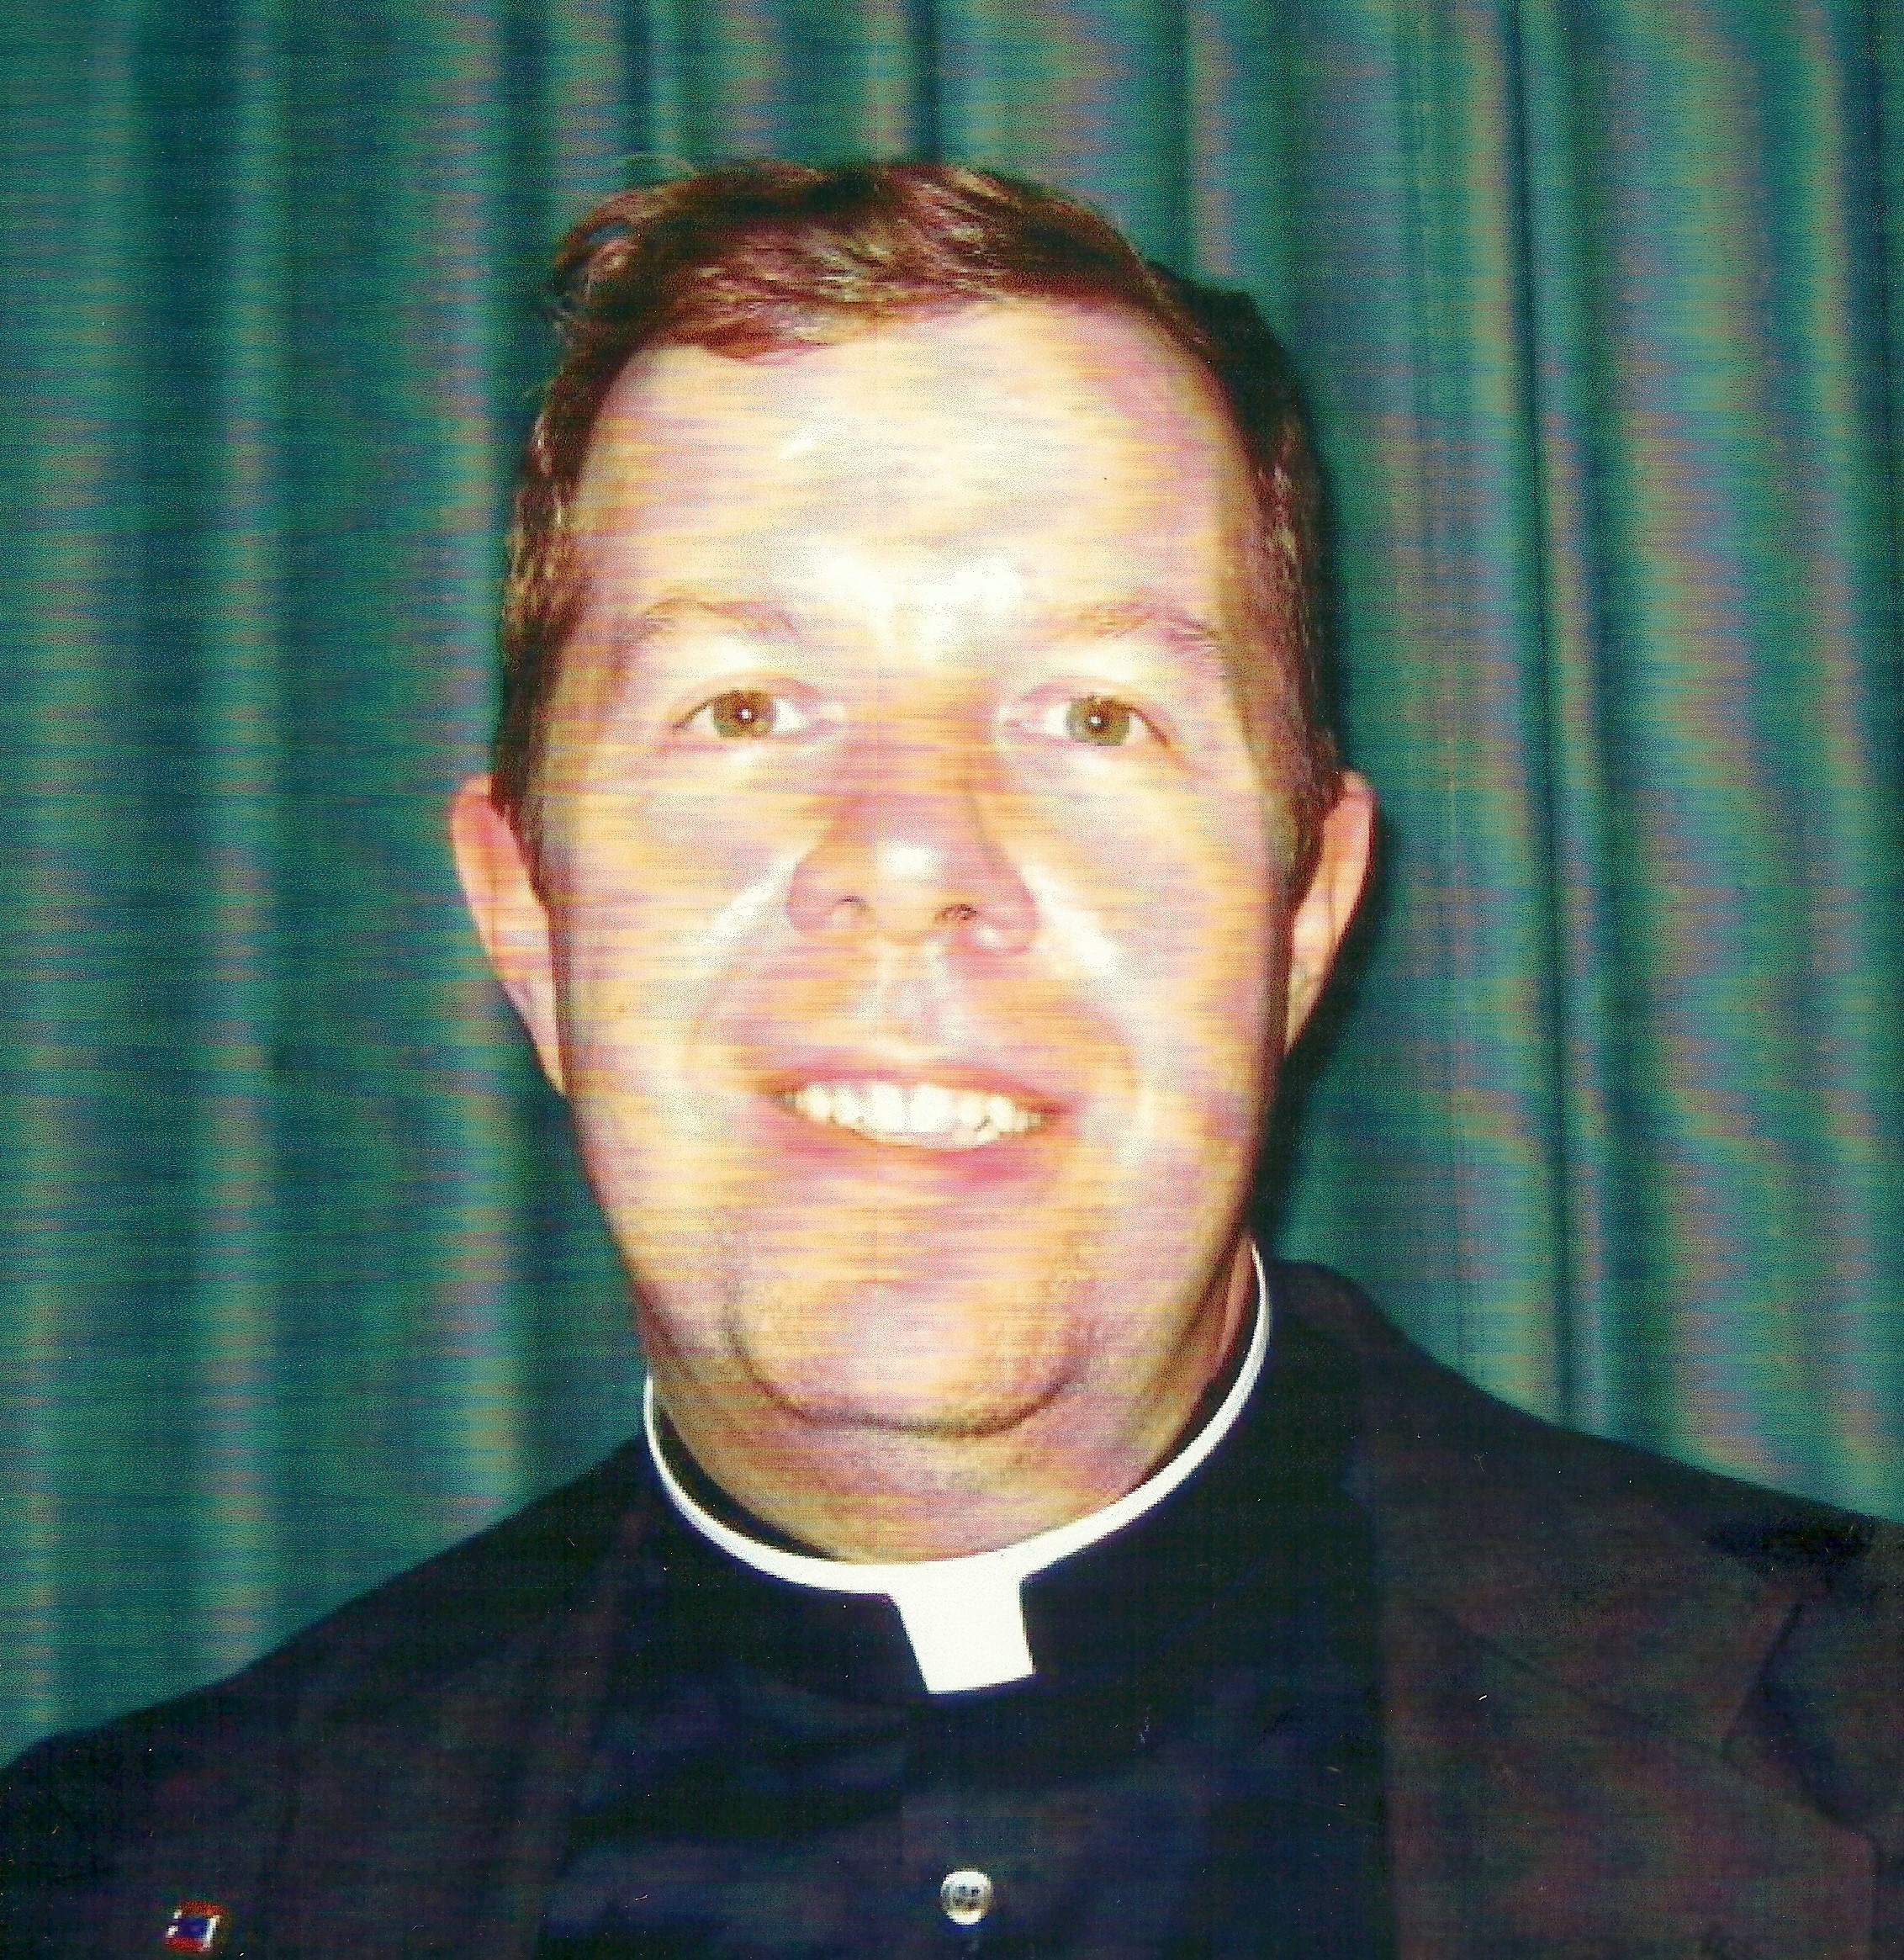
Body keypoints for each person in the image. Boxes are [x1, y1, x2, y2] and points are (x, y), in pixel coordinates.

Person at [2, 160, 1898, 1960]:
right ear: (527, 923)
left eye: (1095, 714)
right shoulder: (113, 1877)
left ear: (1303, 920)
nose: (912, 855)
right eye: (746, 707)